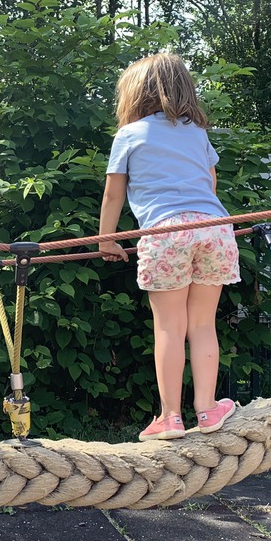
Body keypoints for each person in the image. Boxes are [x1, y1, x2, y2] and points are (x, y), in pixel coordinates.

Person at [95, 52, 241, 441]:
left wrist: (107, 237)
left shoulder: (129, 135)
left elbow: (113, 194)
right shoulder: (197, 132)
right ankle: (208, 410)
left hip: (165, 233)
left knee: (170, 329)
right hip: (214, 228)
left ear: (134, 94)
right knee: (203, 325)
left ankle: (171, 416)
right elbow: (210, 184)